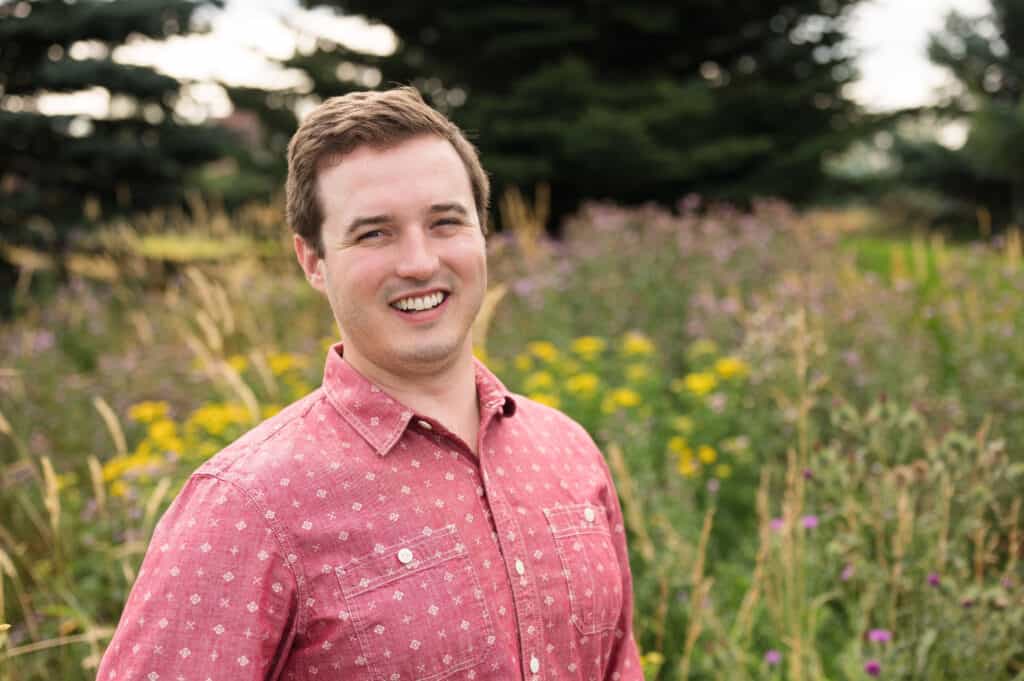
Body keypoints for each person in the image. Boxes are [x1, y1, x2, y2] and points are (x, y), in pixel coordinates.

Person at [97, 86, 642, 681]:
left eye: (445, 222)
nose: (419, 262)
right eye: (374, 234)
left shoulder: (569, 453)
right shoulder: (246, 506)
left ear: (482, 234)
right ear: (313, 261)